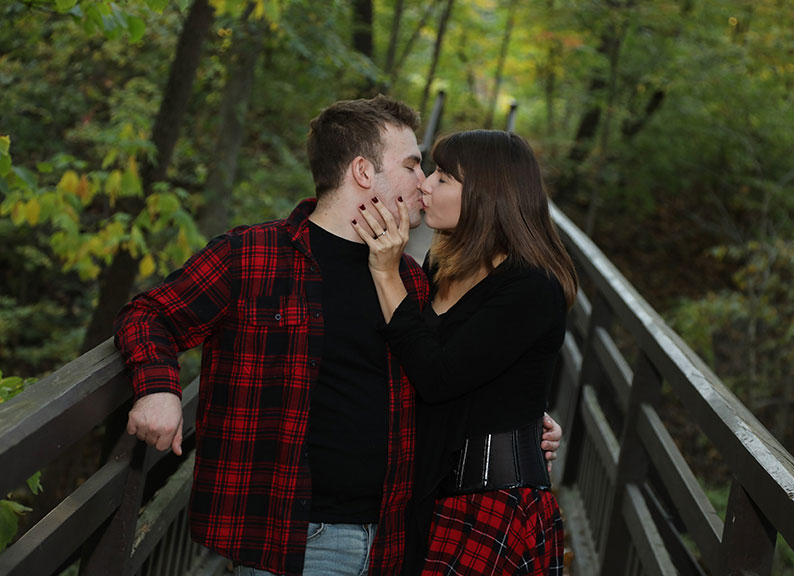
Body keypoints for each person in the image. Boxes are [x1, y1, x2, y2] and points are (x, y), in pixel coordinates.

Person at [115, 96, 562, 576]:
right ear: (364, 173)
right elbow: (149, 314)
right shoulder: (252, 258)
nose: (424, 184)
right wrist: (158, 387)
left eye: (433, 172)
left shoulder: (412, 280)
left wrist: (516, 423)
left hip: (402, 539)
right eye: (414, 166)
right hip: (299, 540)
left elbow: (441, 372)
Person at [352, 130, 578, 575]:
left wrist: (386, 274)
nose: (425, 185)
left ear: (486, 196)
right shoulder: (442, 263)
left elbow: (439, 375)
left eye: (444, 177)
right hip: (432, 491)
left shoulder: (532, 286)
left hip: (493, 503)